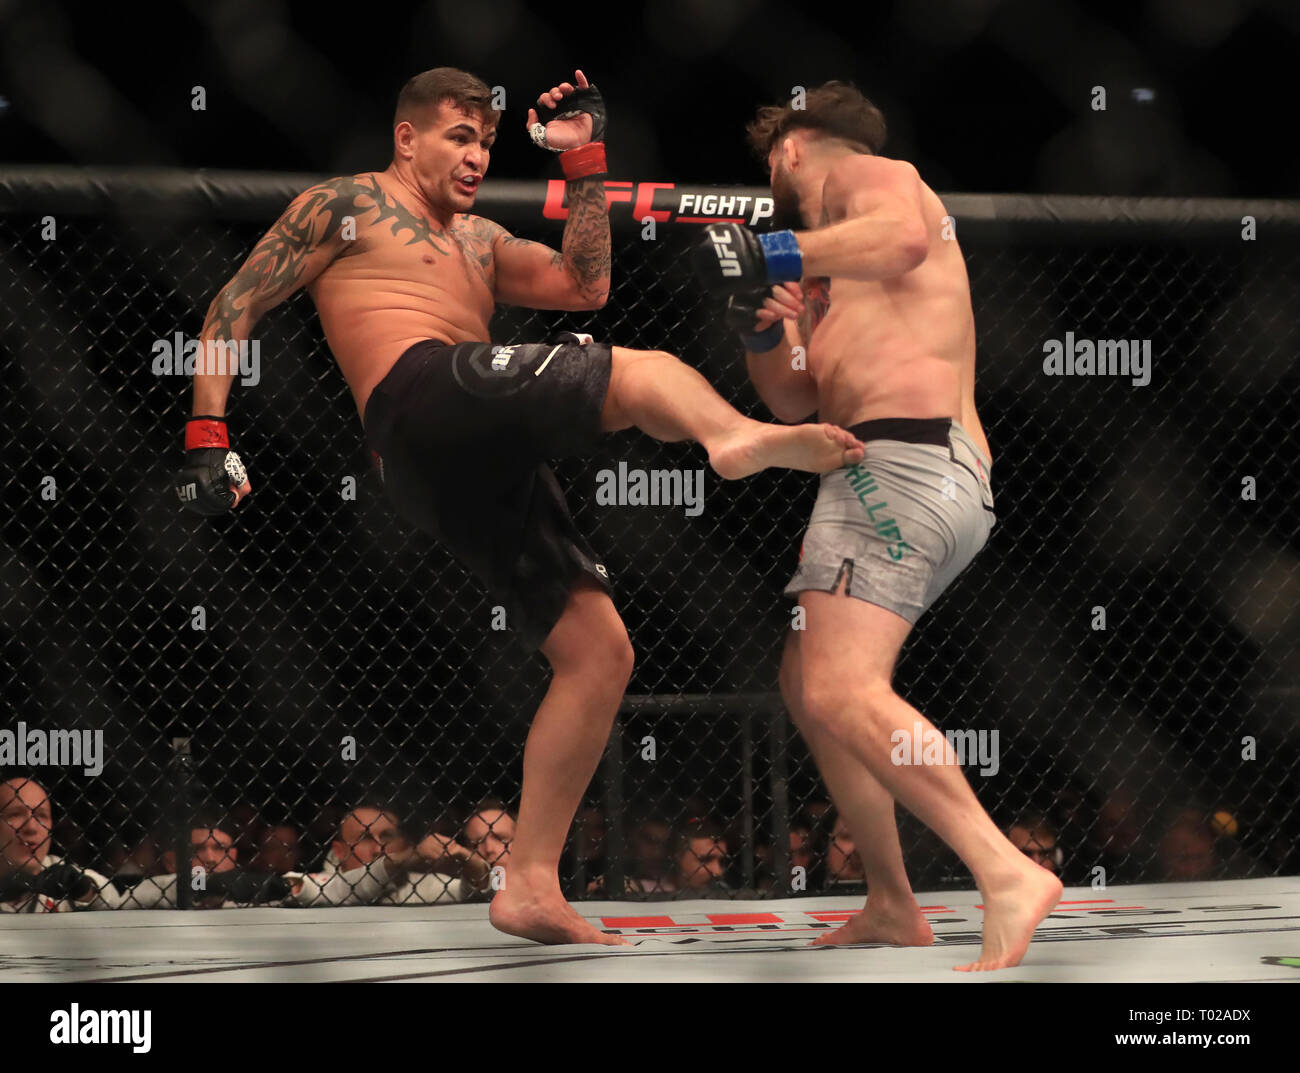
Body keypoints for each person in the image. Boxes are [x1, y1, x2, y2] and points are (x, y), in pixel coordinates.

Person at [175, 66, 864, 946]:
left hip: (465, 453)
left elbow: (586, 284)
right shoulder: (342, 206)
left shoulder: (482, 240)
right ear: (407, 137)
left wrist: (584, 166)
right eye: (458, 138)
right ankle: (732, 435)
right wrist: (206, 432)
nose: (474, 157)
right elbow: (235, 302)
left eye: (486, 143)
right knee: (640, 369)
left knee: (599, 651)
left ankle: (530, 882)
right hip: (413, 394)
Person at [693, 81, 1062, 970]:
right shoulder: (823, 271)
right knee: (808, 679)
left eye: (771, 164)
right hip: (891, 469)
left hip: (906, 464)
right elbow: (793, 393)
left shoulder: (875, 177)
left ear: (791, 148)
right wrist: (755, 320)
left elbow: (899, 241)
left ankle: (1003, 869)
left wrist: (770, 248)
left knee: (840, 686)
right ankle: (894, 900)